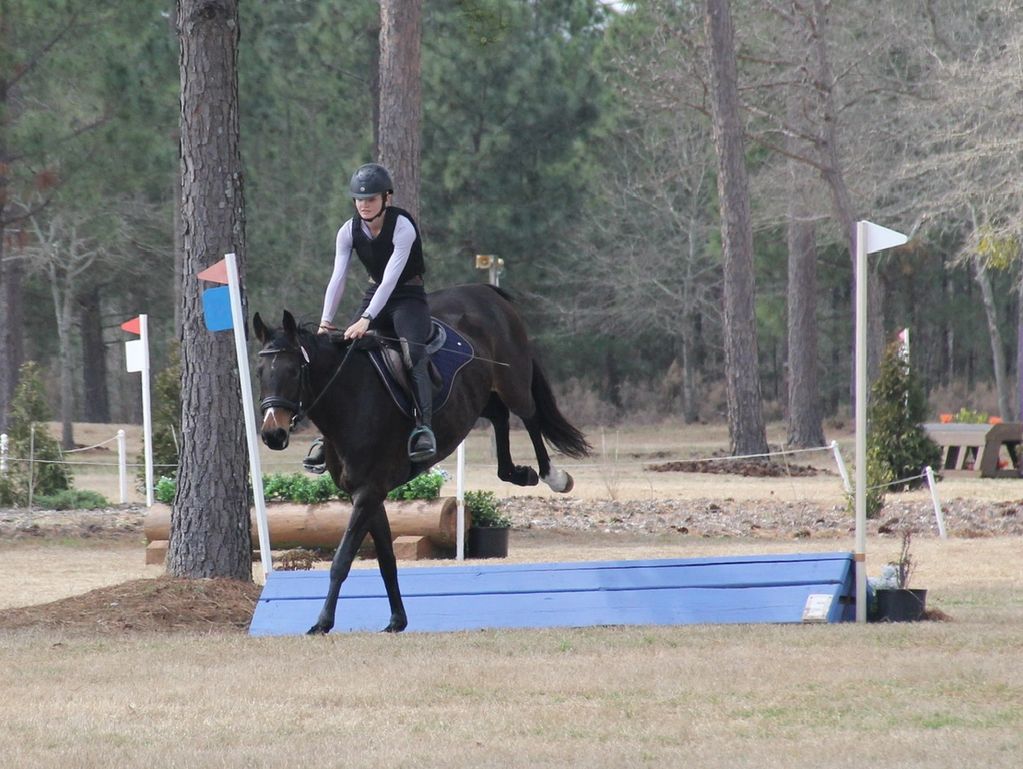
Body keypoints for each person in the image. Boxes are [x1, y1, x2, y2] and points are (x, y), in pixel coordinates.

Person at [303, 162, 436, 471]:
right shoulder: (347, 231)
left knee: (413, 354)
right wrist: (325, 322)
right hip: (374, 294)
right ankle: (327, 437)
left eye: (371, 199)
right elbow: (338, 278)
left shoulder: (403, 226)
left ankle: (423, 428)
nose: (364, 205)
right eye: (359, 199)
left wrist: (366, 318)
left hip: (408, 297)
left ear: (387, 198)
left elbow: (391, 280)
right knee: (340, 351)